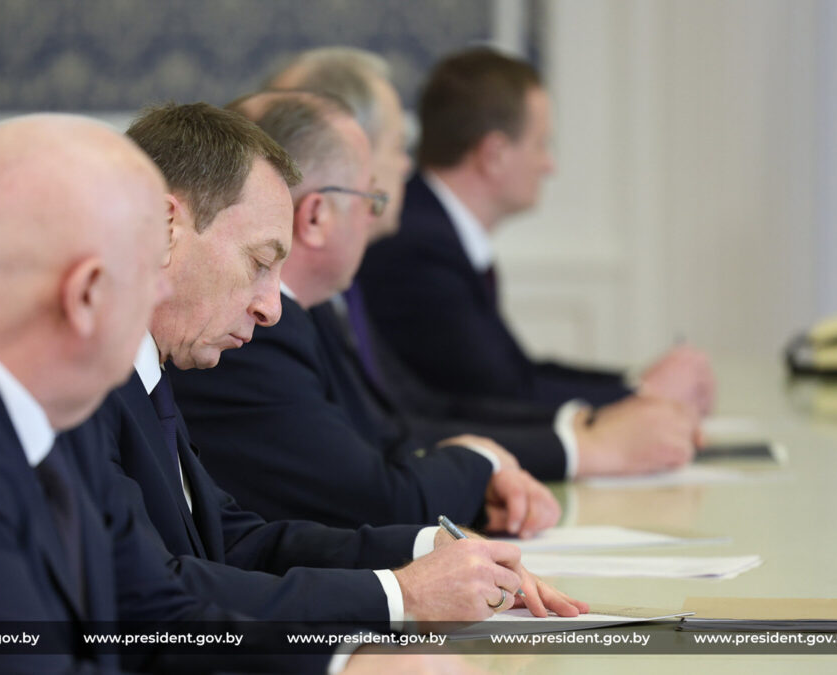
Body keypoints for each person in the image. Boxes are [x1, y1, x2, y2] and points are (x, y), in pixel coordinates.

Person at [0, 113, 463, 675]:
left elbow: (152, 609)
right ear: (87, 291)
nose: (159, 297)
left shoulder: (46, 400)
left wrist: (340, 662)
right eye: (147, 276)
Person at [62, 100, 586, 634]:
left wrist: (428, 547)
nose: (272, 308)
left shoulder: (148, 372)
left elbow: (232, 542)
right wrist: (402, 595)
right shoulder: (76, 392)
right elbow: (146, 595)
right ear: (166, 227)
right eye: (259, 263)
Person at [347, 47, 716, 477]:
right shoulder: (416, 246)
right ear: (494, 154)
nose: (550, 165)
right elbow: (497, 390)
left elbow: (514, 371)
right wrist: (635, 400)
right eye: (541, 144)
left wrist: (634, 389)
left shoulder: (433, 230)